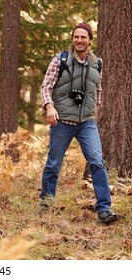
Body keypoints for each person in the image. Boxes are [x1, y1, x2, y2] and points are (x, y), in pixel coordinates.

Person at [40, 22, 118, 225]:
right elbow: (46, 87)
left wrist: (95, 111)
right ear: (72, 39)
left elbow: (97, 90)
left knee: (97, 162)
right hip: (62, 121)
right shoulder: (60, 59)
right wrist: (49, 107)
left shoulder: (97, 63)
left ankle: (104, 209)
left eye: (84, 37)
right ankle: (46, 204)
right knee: (53, 164)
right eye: (76, 37)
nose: (79, 40)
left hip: (86, 123)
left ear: (90, 40)